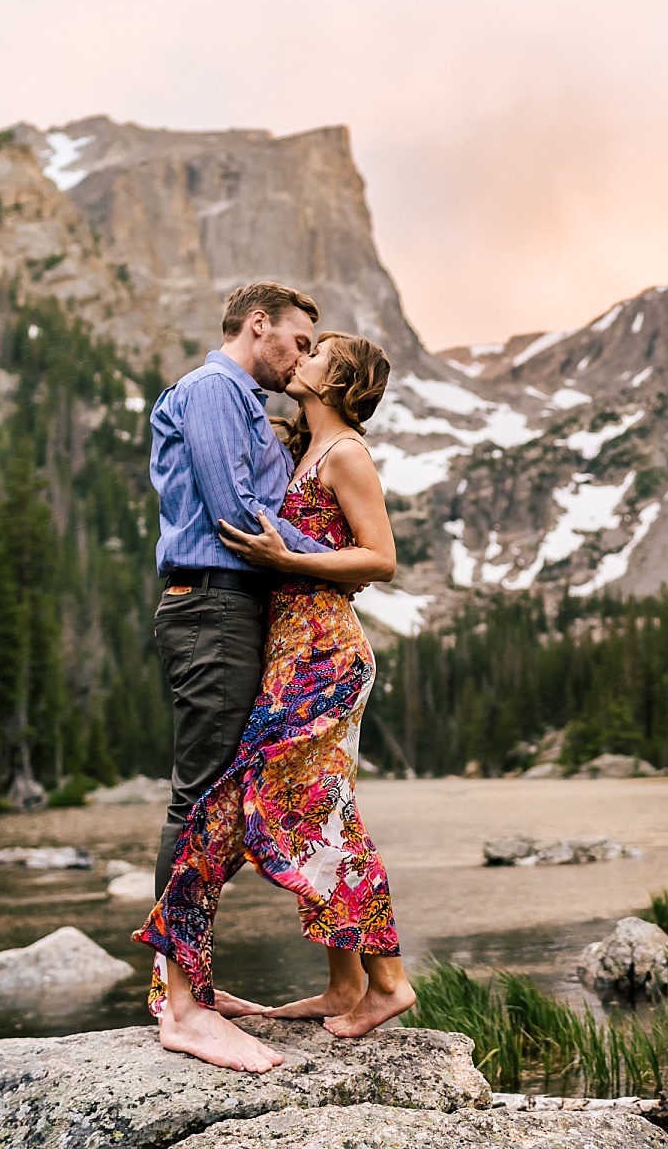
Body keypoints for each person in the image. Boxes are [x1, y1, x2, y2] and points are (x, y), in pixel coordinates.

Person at [137, 330, 409, 1072]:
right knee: (312, 805)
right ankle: (345, 985)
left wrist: (287, 558)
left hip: (322, 651)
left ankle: (387, 981)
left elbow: (380, 556)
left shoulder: (347, 452)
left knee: (309, 808)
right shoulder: (305, 451)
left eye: (316, 352)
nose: (301, 358)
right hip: (291, 645)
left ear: (339, 380)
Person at [141, 281, 328, 1070]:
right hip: (213, 607)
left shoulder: (241, 398)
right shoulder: (216, 390)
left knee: (216, 795)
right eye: (298, 340)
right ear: (259, 326)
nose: (304, 357)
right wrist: (341, 565)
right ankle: (181, 1007)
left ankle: (183, 988)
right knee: (201, 793)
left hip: (229, 610)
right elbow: (238, 513)